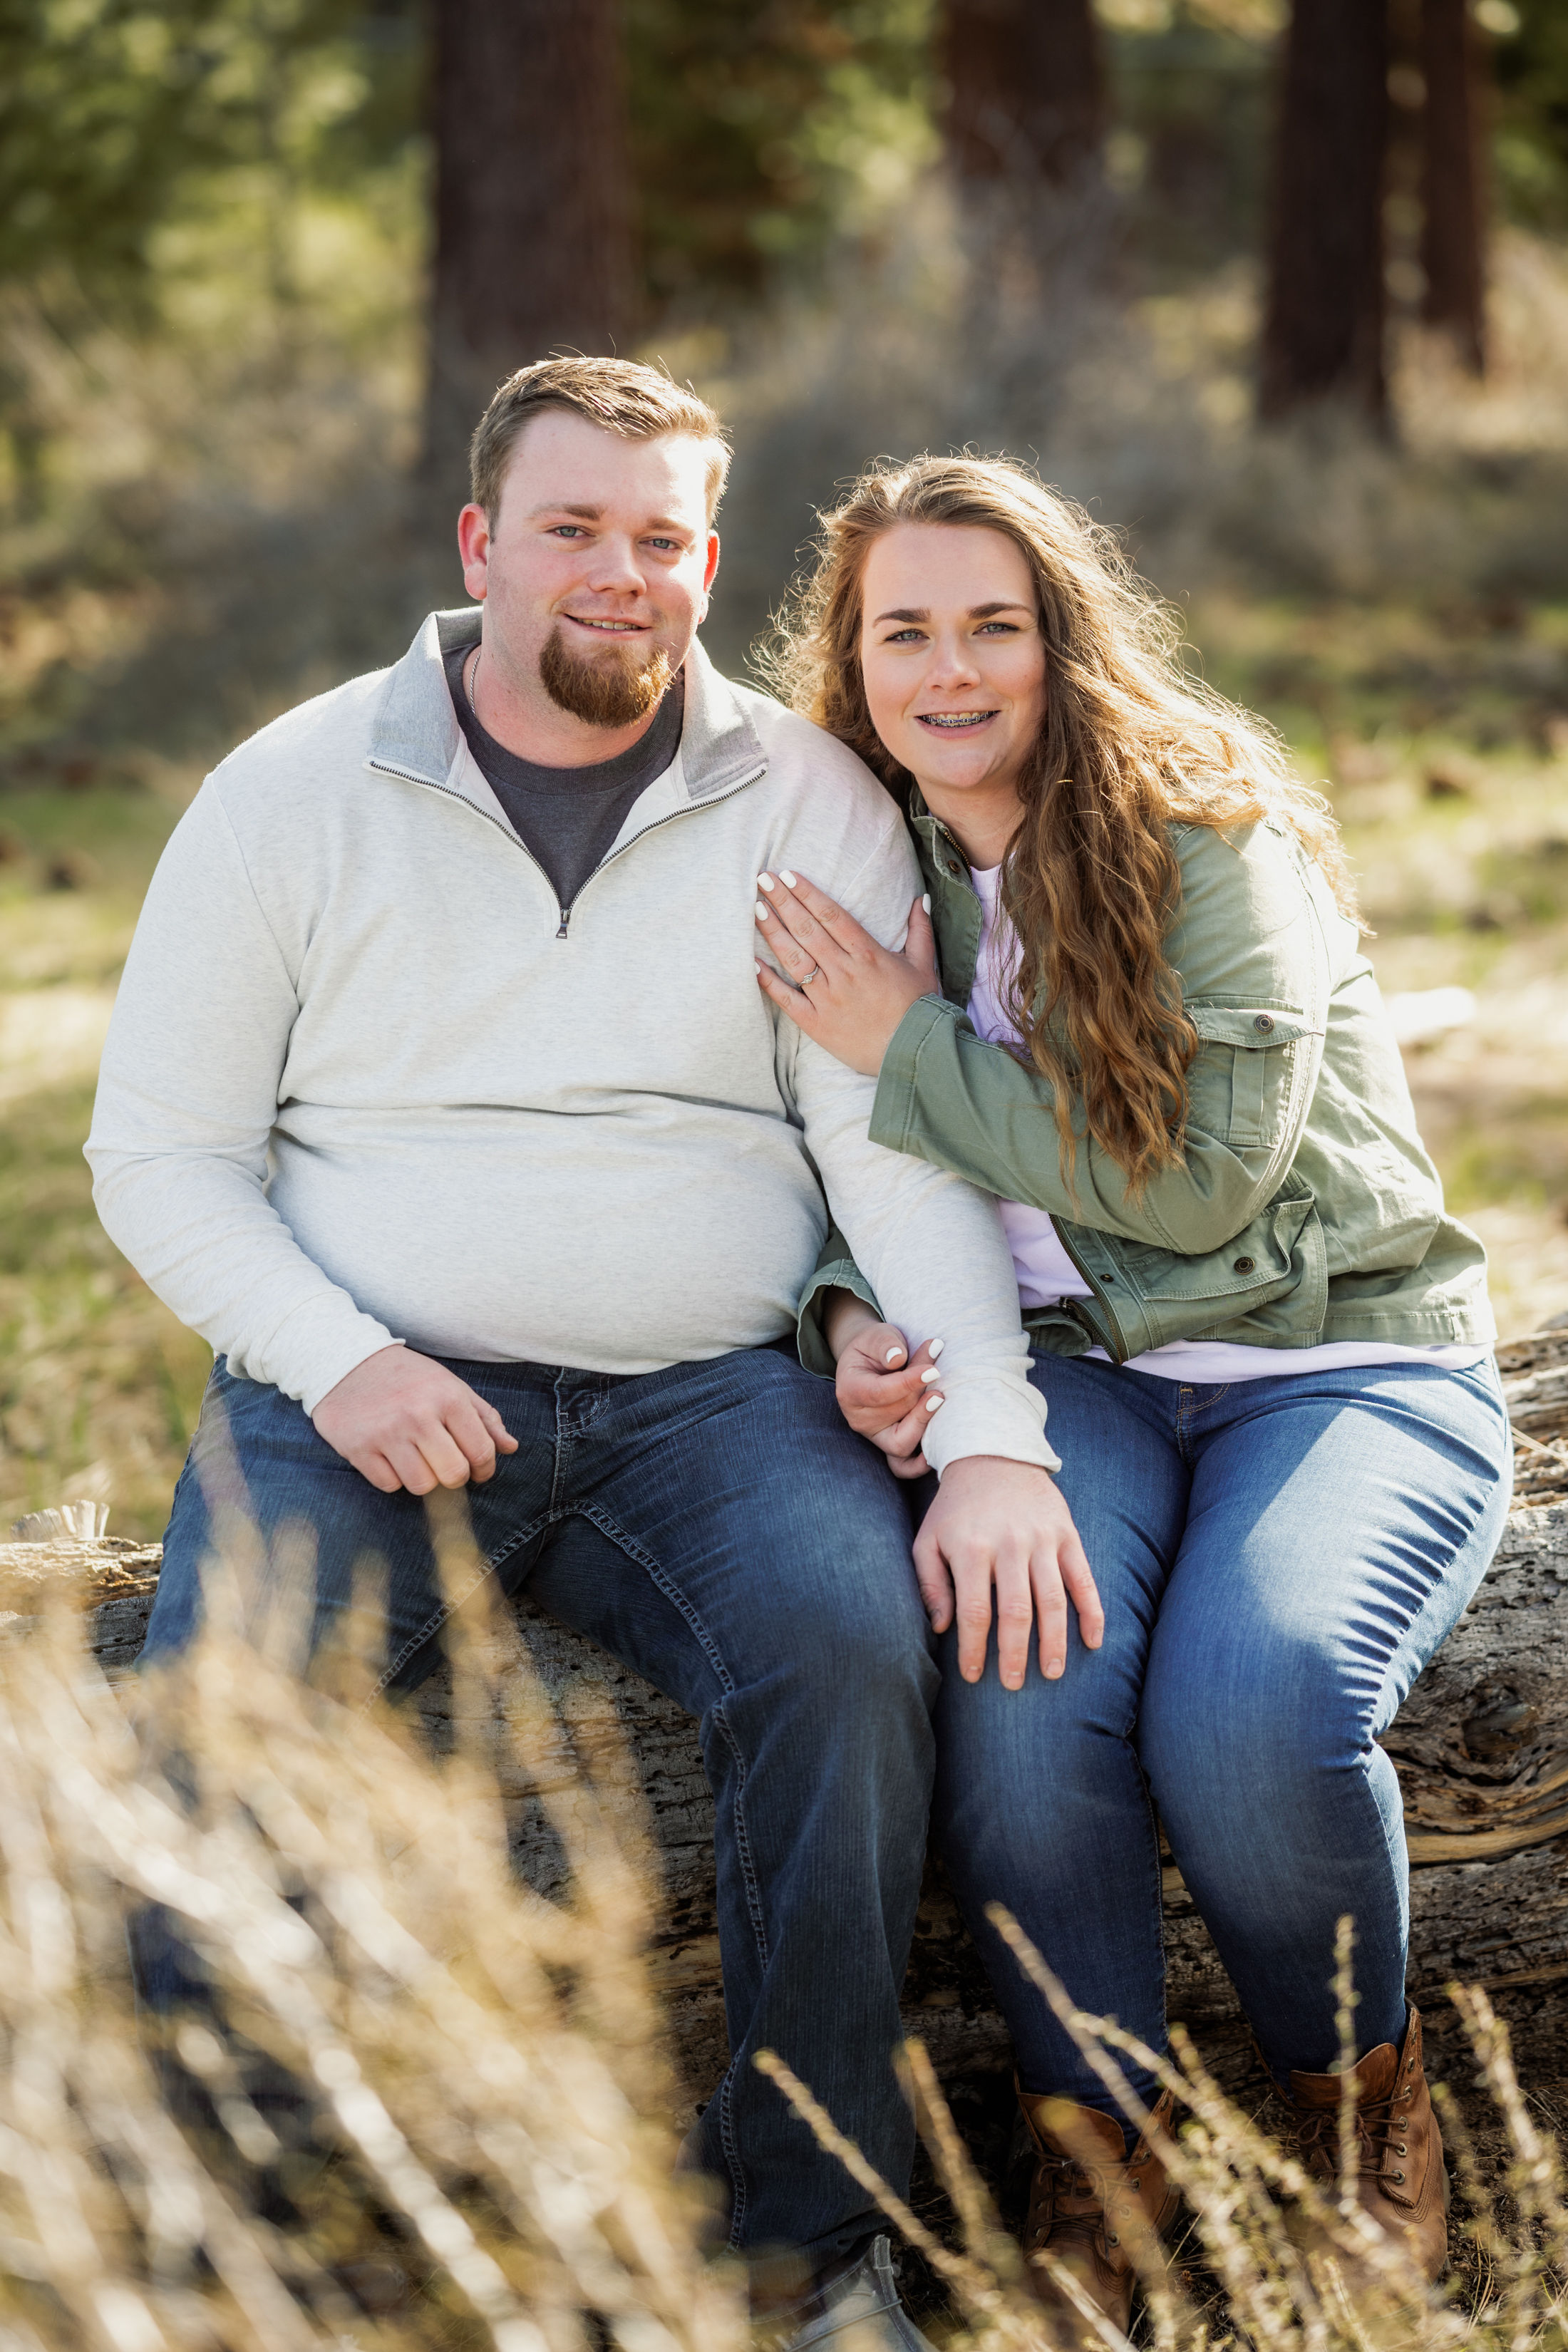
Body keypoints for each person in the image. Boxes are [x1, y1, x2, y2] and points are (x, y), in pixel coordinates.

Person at [86, 366, 1105, 2345]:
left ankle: (799, 2257)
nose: (621, 578)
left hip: (705, 1411)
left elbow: (888, 1156)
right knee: (215, 1731)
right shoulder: (292, 791)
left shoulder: (802, 797)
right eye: (574, 529)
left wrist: (992, 1436)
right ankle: (228, 2262)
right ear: (479, 547)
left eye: (662, 539)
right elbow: (161, 1157)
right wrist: (339, 1357)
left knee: (846, 1654)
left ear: (708, 561)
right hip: (352, 1395)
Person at [750, 454, 1512, 2336]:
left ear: (1058, 632)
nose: (951, 668)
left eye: (991, 623)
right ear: (848, 659)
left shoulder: (1202, 825)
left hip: (1336, 1360)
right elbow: (843, 1159)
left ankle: (1361, 2115)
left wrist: (908, 1039)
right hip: (1071, 1379)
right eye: (903, 629)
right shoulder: (861, 844)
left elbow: (1193, 1185)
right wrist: (850, 1310)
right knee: (1015, 1706)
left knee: (1257, 1711)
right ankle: (1107, 2153)